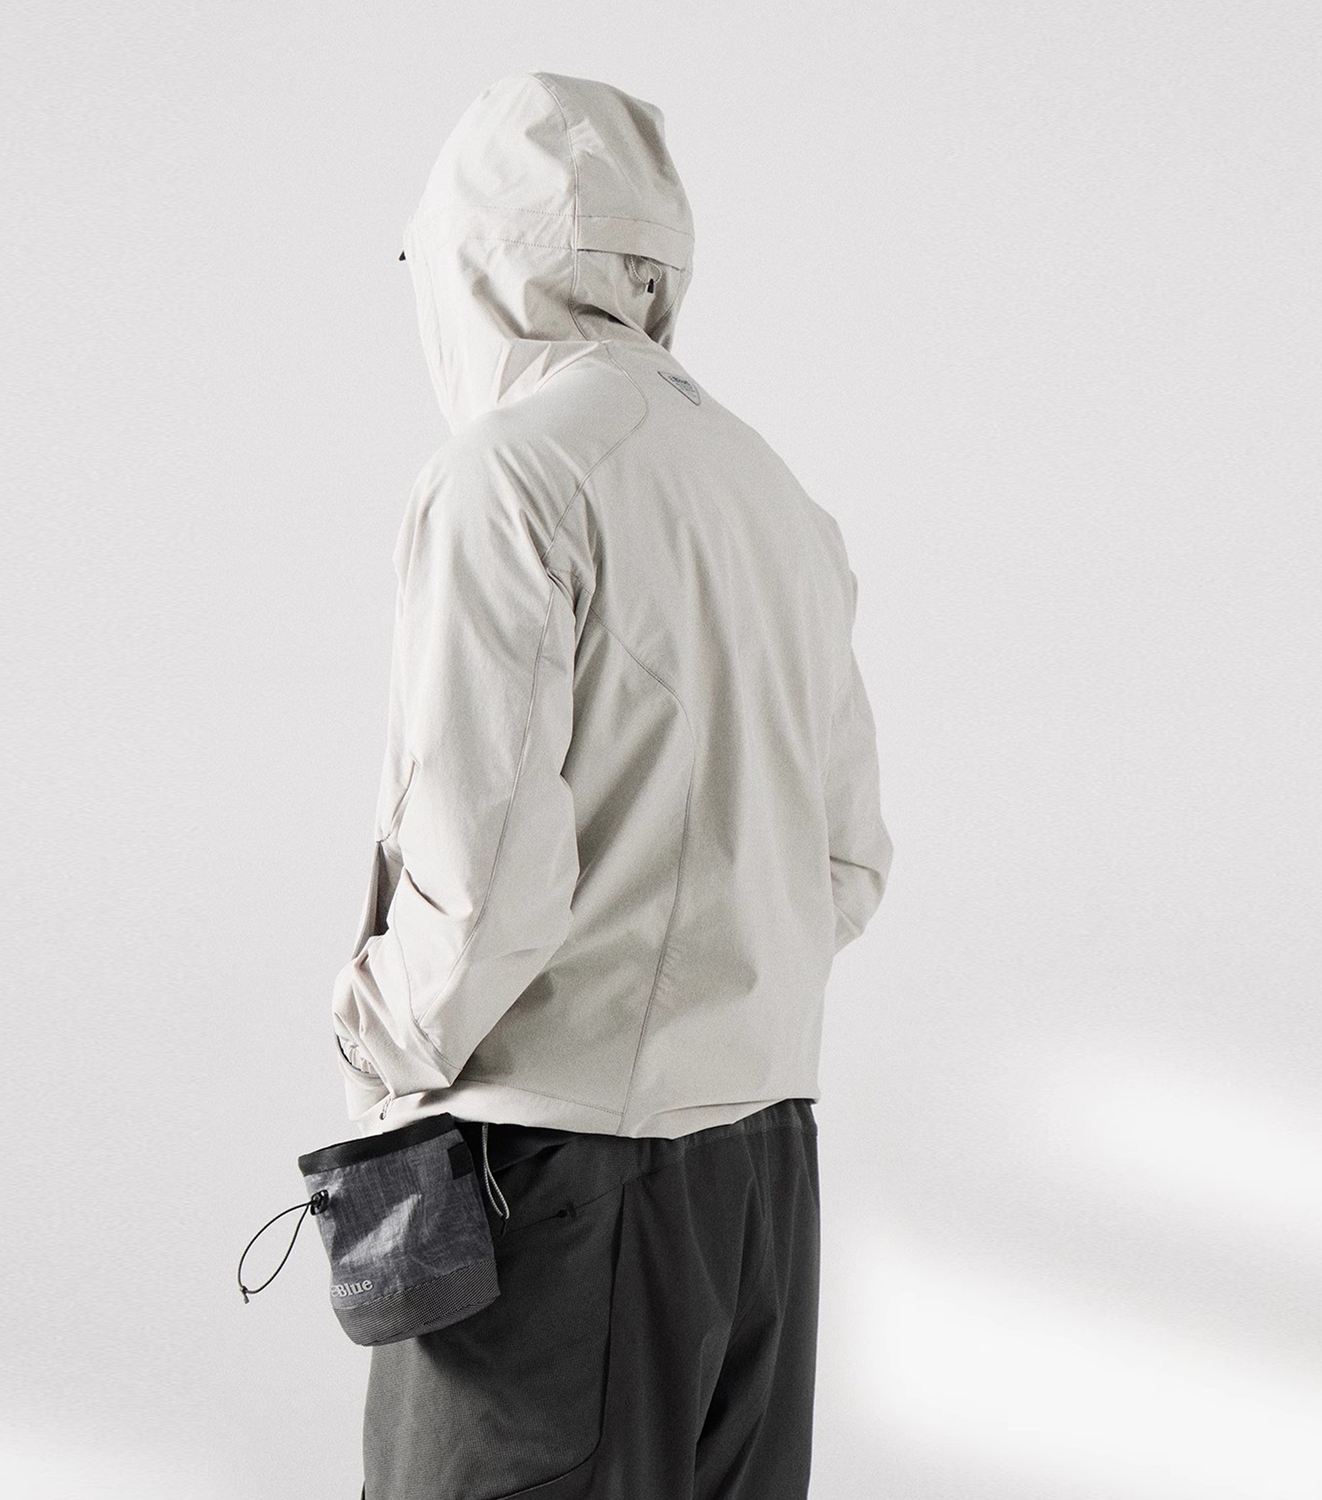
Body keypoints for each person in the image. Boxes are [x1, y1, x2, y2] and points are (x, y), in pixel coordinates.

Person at [330, 70, 894, 1500]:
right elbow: (848, 861)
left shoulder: (507, 476)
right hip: (762, 1181)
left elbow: (486, 886)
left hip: (556, 1185)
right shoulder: (775, 492)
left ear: (471, 261)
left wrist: (374, 1030)